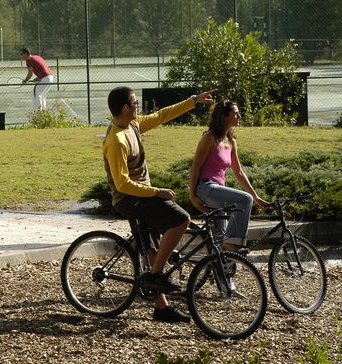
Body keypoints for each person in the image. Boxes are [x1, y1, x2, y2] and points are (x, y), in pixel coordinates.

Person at [104, 86, 215, 323]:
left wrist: (192, 101)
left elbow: (162, 115)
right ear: (125, 108)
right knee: (181, 219)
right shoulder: (116, 140)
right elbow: (122, 184)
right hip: (129, 199)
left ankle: (161, 308)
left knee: (154, 248)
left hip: (142, 195)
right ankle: (155, 275)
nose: (138, 107)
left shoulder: (132, 125)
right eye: (135, 103)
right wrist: (157, 192)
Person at [189, 100, 268, 252]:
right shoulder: (209, 138)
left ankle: (221, 271)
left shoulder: (231, 141)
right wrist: (193, 197)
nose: (239, 116)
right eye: (236, 113)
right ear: (225, 116)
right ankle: (234, 243)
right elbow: (195, 168)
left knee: (220, 244)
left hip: (219, 192)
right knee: (245, 200)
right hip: (206, 188)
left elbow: (238, 172)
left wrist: (256, 197)